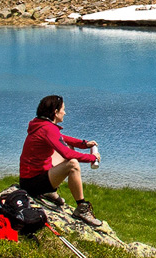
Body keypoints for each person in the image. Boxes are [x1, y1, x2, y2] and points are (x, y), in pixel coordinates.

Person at [18, 94, 102, 226]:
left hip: (31, 178)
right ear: (55, 112)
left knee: (67, 146)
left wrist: (84, 144)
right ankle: (81, 207)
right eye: (63, 109)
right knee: (73, 164)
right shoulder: (48, 128)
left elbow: (60, 138)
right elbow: (67, 154)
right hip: (32, 184)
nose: (65, 112)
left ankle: (49, 191)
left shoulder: (41, 124)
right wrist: (91, 157)